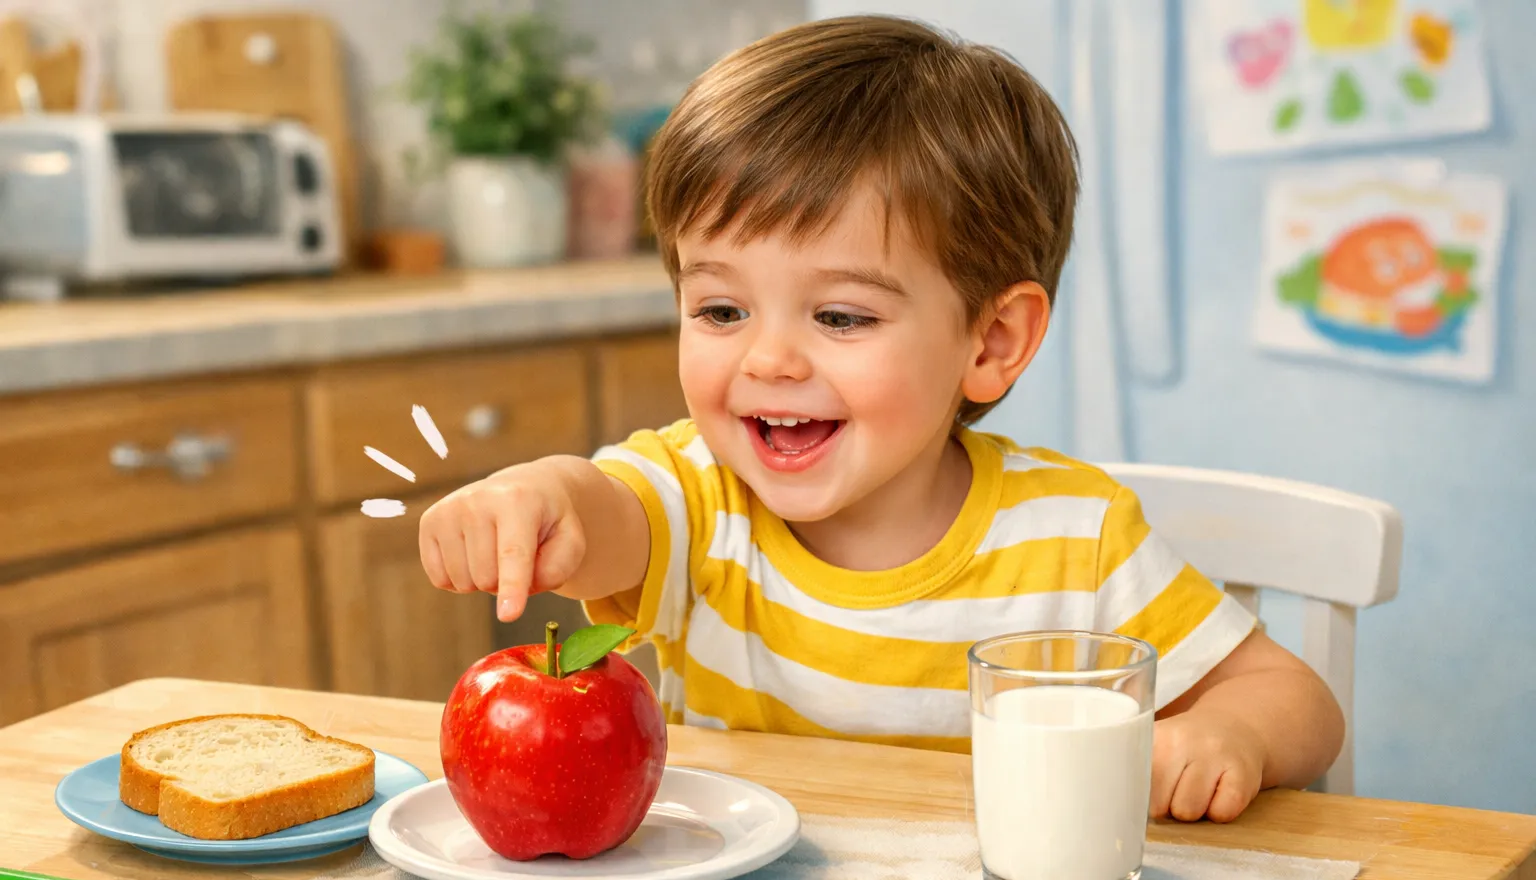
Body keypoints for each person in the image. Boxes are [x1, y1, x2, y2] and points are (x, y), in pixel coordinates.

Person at [418, 15, 1344, 824]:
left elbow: (1295, 699)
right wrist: (535, 495)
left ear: (991, 341)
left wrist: (1228, 734)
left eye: (841, 317)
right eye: (720, 310)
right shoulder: (702, 497)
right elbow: (602, 510)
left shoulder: (1076, 538)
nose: (767, 359)